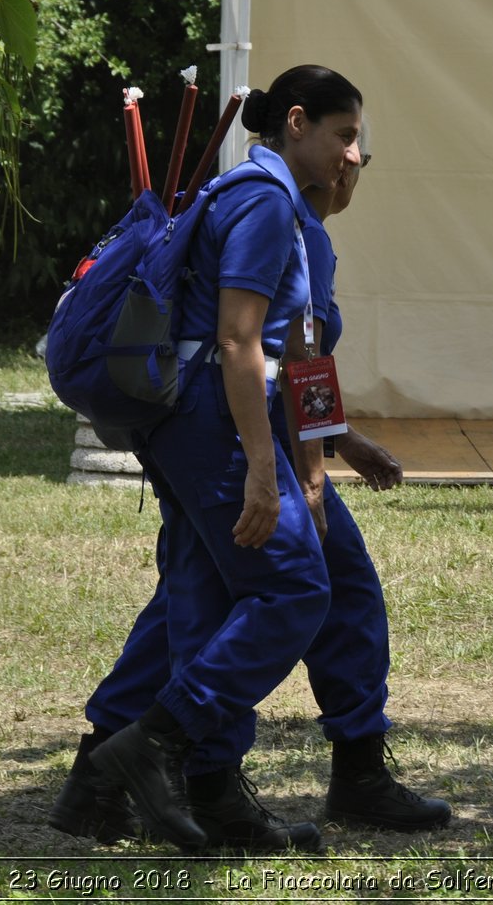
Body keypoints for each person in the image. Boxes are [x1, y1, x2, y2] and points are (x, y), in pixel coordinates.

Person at [49, 92, 450, 853]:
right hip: (219, 424)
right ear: (296, 123)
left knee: (230, 593)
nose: (354, 158)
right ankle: (171, 758)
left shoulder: (301, 226)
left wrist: (339, 445)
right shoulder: (264, 205)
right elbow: (240, 347)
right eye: (346, 137)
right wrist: (277, 472)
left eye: (361, 145)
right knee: (277, 588)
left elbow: (299, 355)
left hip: (239, 423)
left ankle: (114, 778)